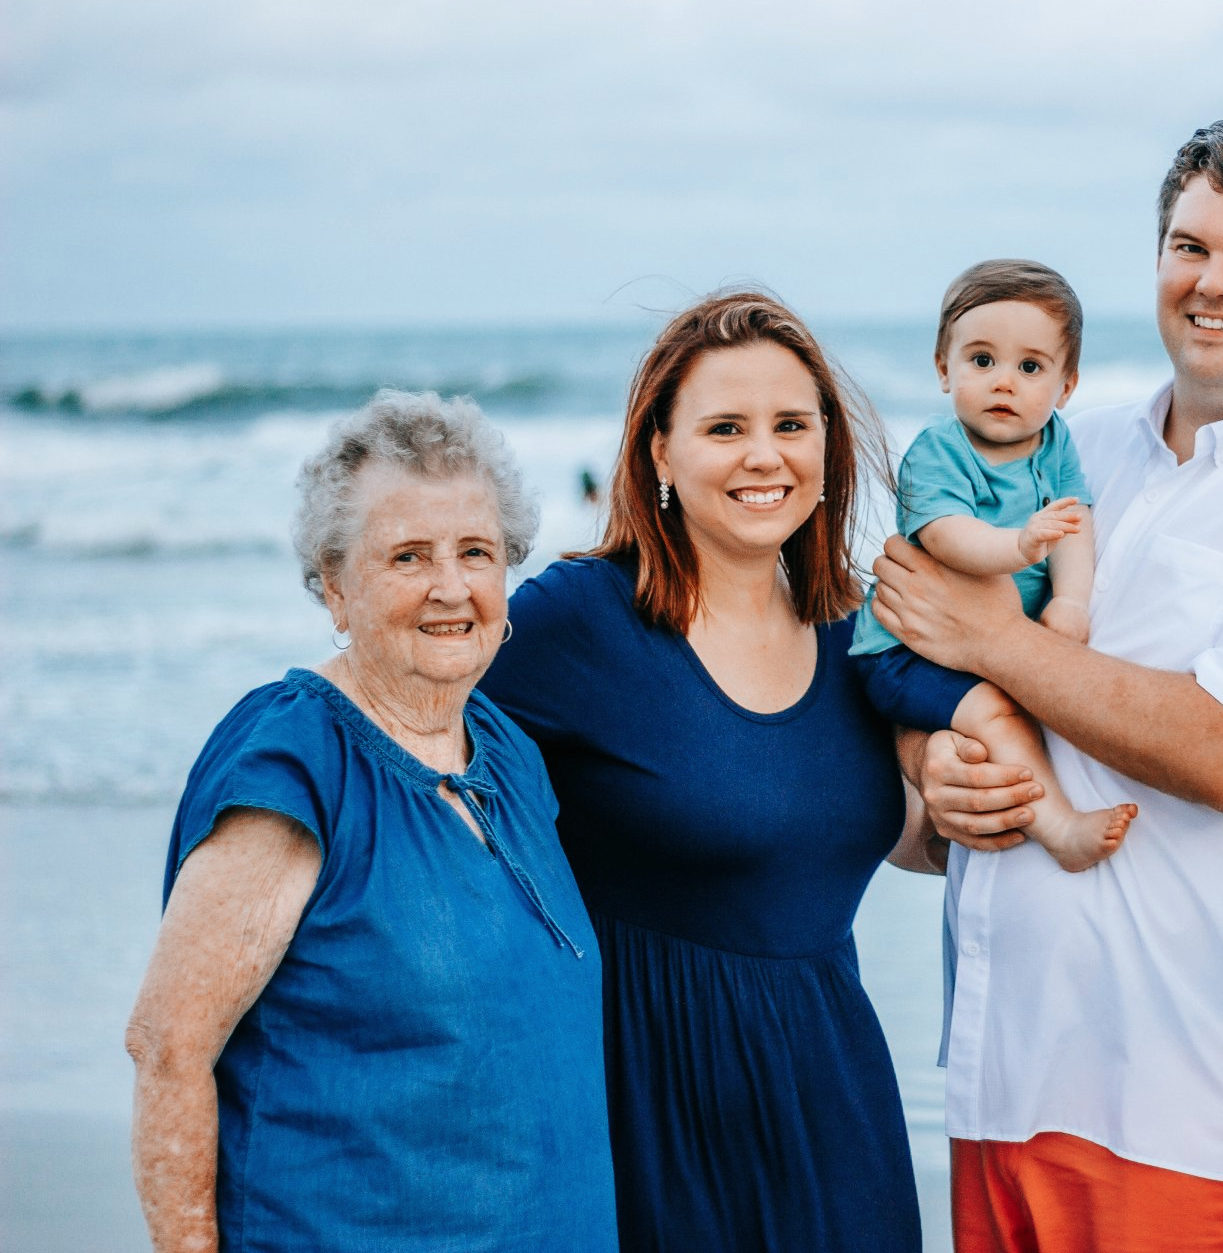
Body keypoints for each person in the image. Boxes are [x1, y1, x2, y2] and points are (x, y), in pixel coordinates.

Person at [873, 117, 1223, 1253]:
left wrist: (997, 640)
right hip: (994, 1074)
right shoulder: (1068, 447)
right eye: (1189, 247)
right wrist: (932, 778)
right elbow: (909, 641)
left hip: (1178, 1106)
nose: (1212, 283)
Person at [479, 290, 923, 1252]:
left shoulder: (864, 631)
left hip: (834, 1097)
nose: (765, 455)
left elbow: (895, 833)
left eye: (790, 425)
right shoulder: (577, 622)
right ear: (660, 455)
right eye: (725, 427)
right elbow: (417, 751)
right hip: (650, 1103)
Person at [124, 391, 616, 1253]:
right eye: (408, 557)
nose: (452, 587)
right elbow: (168, 1049)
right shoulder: (296, 759)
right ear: (334, 585)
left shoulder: (509, 752)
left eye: (477, 551)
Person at [850, 258, 1135, 872]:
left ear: (1065, 387)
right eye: (982, 361)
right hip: (905, 650)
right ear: (943, 369)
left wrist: (1069, 601)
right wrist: (1018, 548)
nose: (1004, 382)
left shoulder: (1057, 440)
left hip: (978, 640)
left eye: (1030, 367)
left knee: (998, 719)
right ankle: (1059, 828)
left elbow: (1073, 523)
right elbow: (948, 536)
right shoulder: (938, 450)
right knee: (996, 714)